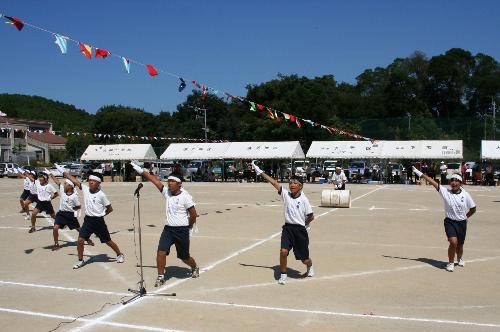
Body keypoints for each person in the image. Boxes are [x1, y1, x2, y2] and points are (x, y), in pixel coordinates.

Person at [130, 161, 200, 287]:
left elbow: (194, 214)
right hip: (168, 229)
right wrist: (141, 170)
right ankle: (161, 276)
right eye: (169, 181)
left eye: (172, 182)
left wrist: (188, 226)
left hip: (181, 230)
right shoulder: (167, 193)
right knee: (161, 252)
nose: (170, 184)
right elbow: (154, 180)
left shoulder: (186, 197)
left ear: (179, 184)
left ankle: (194, 267)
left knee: (184, 257)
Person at [251, 161, 314, 285]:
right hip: (288, 229)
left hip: (300, 231)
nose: (292, 185)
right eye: (290, 183)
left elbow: (311, 216)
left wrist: (304, 224)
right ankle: (283, 274)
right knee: (283, 252)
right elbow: (274, 182)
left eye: (295, 183)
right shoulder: (286, 195)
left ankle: (310, 266)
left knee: (304, 259)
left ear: (300, 186)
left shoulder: (304, 200)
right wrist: (259, 171)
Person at [55, 165, 125, 269]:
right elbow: (74, 180)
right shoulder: (86, 189)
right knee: (80, 240)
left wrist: (102, 214)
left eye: (93, 181)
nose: (90, 182)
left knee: (107, 241)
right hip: (88, 220)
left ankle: (119, 254)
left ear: (98, 183)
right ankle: (80, 260)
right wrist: (64, 172)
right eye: (90, 180)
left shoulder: (102, 195)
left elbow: (110, 208)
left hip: (98, 221)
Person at [412, 167, 476, 272]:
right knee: (453, 242)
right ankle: (450, 263)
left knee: (460, 245)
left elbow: (473, 209)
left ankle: (459, 258)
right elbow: (432, 181)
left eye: (456, 181)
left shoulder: (465, 195)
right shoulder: (445, 192)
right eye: (452, 181)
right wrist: (419, 173)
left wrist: (466, 217)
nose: (454, 183)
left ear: (460, 183)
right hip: (450, 222)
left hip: (462, 223)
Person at [47, 170, 94, 251]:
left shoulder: (74, 196)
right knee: (55, 228)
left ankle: (87, 239)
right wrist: (51, 174)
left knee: (79, 229)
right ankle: (56, 243)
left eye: (65, 183)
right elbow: (57, 182)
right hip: (61, 214)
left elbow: (78, 206)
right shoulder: (62, 190)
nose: (63, 184)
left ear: (70, 186)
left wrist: (75, 211)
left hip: (70, 215)